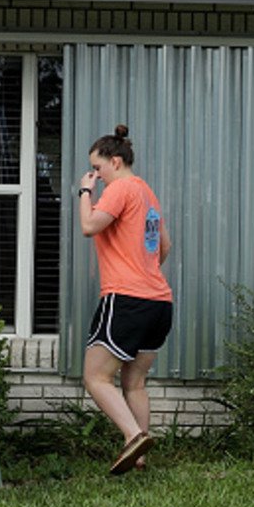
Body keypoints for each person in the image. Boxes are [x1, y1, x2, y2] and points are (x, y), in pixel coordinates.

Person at [77, 124, 173, 475]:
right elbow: (164, 247)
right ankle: (141, 458)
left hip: (126, 300)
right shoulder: (148, 193)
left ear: (115, 162)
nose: (96, 177)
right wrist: (142, 269)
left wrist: (84, 193)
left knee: (96, 377)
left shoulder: (119, 189)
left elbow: (90, 226)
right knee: (134, 382)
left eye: (98, 169)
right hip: (159, 302)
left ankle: (134, 437)